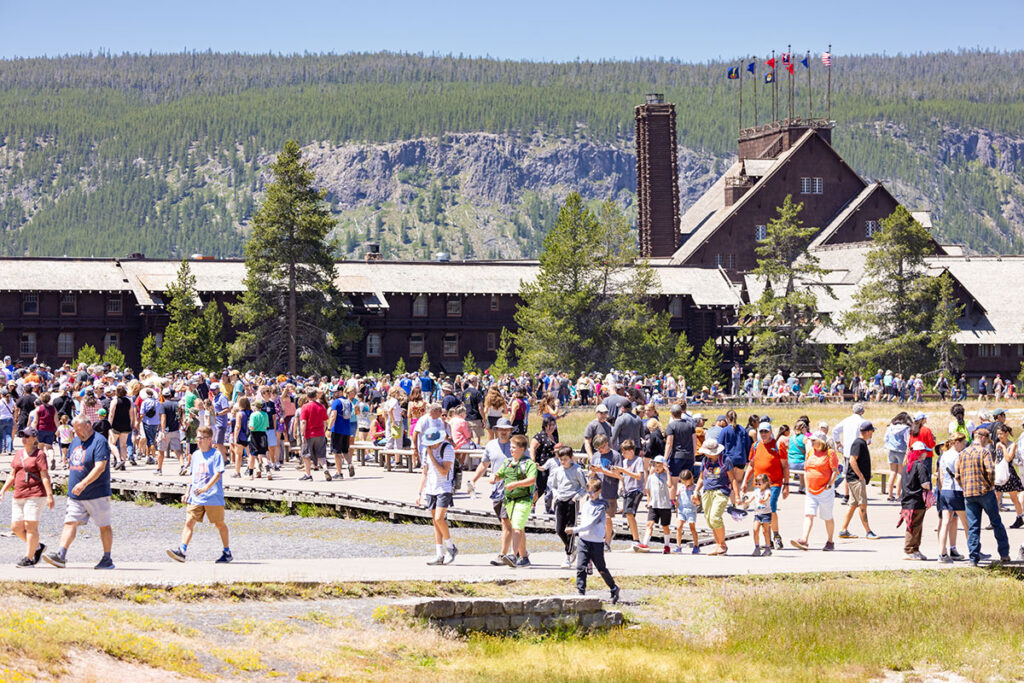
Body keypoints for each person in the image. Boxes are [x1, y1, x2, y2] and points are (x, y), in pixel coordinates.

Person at [43, 415, 114, 570]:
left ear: (88, 426)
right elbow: (73, 461)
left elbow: (100, 467)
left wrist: (84, 483)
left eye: (78, 429)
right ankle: (61, 555)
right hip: (75, 494)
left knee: (104, 525)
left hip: (97, 493)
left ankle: (107, 558)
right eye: (74, 430)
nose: (76, 433)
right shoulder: (75, 441)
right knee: (70, 522)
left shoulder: (99, 441)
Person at [166, 426, 232, 564]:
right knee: (189, 522)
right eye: (198, 437)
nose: (199, 440)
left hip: (213, 496)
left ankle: (227, 552)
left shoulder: (216, 455)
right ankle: (182, 551)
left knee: (219, 524)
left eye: (201, 438)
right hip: (196, 496)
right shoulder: (195, 455)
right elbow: (193, 475)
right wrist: (187, 492)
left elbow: (218, 474)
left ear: (209, 439)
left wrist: (206, 488)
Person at [956, 428, 1011, 566]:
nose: (987, 443)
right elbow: (991, 471)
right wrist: (990, 485)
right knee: (996, 522)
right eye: (987, 440)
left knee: (973, 527)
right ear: (983, 438)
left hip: (969, 494)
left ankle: (973, 558)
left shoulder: (962, 453)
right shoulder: (984, 452)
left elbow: (957, 475)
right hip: (985, 492)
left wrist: (964, 486)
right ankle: (1004, 553)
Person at [0, 428, 54, 567]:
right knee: (16, 527)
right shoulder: (18, 453)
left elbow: (44, 476)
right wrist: (3, 490)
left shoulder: (40, 454)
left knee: (30, 526)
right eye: (22, 436)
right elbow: (12, 475)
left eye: (27, 436)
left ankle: (28, 558)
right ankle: (37, 547)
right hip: (19, 494)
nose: (23, 438)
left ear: (34, 438)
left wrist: (49, 495)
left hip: (35, 494)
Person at [468, 417, 514, 566]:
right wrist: (473, 480)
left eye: (506, 430)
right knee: (507, 523)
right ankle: (520, 551)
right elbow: (484, 464)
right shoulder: (491, 445)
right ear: (496, 430)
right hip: (496, 490)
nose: (503, 432)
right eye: (501, 429)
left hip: (512, 490)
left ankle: (503, 555)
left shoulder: (516, 445)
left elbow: (527, 464)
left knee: (506, 522)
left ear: (510, 431)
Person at [566, 479, 620, 604]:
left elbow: (591, 523)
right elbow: (583, 520)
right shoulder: (586, 505)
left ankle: (614, 588)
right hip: (583, 540)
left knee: (601, 568)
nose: (590, 495)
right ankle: (581, 593)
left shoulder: (601, 507)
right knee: (581, 567)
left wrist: (574, 530)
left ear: (599, 491)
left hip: (596, 542)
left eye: (593, 492)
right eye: (588, 492)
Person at [492, 434, 537, 567]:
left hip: (523, 500)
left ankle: (513, 554)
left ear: (522, 449)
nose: (511, 449)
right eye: (510, 447)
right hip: (509, 500)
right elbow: (500, 475)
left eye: (513, 447)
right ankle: (524, 557)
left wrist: (515, 484)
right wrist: (494, 477)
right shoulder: (507, 462)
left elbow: (532, 480)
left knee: (516, 527)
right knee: (517, 527)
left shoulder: (529, 464)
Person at [743, 422, 789, 550]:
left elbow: (785, 466)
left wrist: (786, 485)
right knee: (761, 509)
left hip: (774, 483)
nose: (763, 434)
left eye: (766, 431)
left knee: (771, 507)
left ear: (770, 432)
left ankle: (776, 536)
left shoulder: (777, 445)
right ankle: (769, 541)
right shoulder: (755, 446)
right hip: (759, 484)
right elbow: (751, 466)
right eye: (761, 431)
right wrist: (745, 481)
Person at [791, 432, 839, 551]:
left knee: (827, 516)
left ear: (820, 441)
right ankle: (804, 540)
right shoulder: (810, 452)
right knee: (809, 514)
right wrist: (806, 484)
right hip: (811, 490)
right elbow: (806, 469)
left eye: (813, 440)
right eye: (810, 440)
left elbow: (835, 471)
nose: (811, 442)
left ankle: (830, 541)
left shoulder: (830, 453)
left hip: (825, 491)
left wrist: (829, 484)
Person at [417, 428, 458, 566]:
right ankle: (439, 554)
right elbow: (424, 473)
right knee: (435, 521)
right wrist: (419, 493)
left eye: (433, 442)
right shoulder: (425, 450)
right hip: (430, 488)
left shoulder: (447, 449)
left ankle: (451, 547)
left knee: (440, 518)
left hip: (444, 487)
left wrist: (432, 456)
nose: (431, 445)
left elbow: (444, 471)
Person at [543, 445, 587, 568]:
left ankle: (567, 556)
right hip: (560, 500)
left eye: (565, 459)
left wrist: (576, 497)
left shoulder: (577, 470)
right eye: (561, 459)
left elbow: (584, 487)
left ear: (571, 458)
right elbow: (553, 485)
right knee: (559, 529)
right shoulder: (558, 470)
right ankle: (572, 548)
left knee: (570, 528)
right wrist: (556, 495)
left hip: (572, 501)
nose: (563, 462)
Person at [838, 421, 879, 540]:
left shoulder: (862, 443)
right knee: (862, 504)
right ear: (867, 431)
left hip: (855, 479)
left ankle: (843, 530)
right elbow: (852, 460)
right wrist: (860, 475)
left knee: (853, 505)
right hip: (856, 480)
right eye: (872, 431)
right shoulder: (858, 443)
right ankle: (868, 531)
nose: (872, 433)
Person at [693, 437, 732, 556]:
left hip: (721, 491)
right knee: (709, 520)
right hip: (707, 492)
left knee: (715, 517)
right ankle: (718, 545)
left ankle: (723, 545)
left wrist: (737, 496)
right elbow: (701, 477)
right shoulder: (705, 460)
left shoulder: (725, 460)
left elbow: (732, 479)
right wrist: (696, 491)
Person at [936, 432, 968, 563]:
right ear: (957, 442)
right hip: (956, 490)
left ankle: (942, 553)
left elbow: (941, 475)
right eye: (963, 443)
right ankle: (974, 550)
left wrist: (942, 490)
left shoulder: (943, 455)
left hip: (945, 490)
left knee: (945, 522)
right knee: (967, 523)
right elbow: (960, 475)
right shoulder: (958, 456)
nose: (964, 446)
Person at [588, 433, 622, 550]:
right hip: (597, 491)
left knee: (607, 517)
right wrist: (593, 472)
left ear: (607, 444)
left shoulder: (615, 456)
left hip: (610, 490)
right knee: (597, 517)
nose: (600, 450)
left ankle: (607, 542)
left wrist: (603, 470)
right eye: (597, 448)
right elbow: (591, 474)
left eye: (602, 447)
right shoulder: (595, 456)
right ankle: (602, 537)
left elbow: (618, 475)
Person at [900, 442, 932, 560]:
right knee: (913, 526)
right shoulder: (920, 466)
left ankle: (915, 549)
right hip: (916, 501)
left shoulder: (907, 466)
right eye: (924, 452)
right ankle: (908, 549)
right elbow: (925, 484)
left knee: (916, 526)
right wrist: (929, 489)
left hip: (907, 500)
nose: (926, 454)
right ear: (920, 453)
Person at [637, 455, 673, 554]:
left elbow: (670, 485)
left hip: (665, 505)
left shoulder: (666, 476)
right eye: (655, 465)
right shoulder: (651, 477)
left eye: (659, 465)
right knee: (649, 524)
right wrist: (648, 502)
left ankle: (667, 545)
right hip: (654, 504)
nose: (657, 467)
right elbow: (648, 490)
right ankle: (645, 543)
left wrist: (668, 472)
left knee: (665, 526)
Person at [832, 402, 867, 502]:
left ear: (852, 411)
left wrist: (838, 443)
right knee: (859, 474)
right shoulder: (864, 422)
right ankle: (856, 495)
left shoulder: (846, 420)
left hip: (848, 450)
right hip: (859, 451)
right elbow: (868, 439)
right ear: (863, 412)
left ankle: (846, 496)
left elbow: (835, 430)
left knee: (848, 473)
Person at [664, 403, 698, 496]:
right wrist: (694, 455)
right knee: (687, 481)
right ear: (681, 413)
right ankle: (688, 499)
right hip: (689, 456)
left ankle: (672, 501)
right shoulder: (690, 425)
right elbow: (694, 442)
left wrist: (665, 458)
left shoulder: (671, 426)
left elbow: (669, 443)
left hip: (676, 457)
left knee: (674, 482)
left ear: (672, 413)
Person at [993, 423, 1023, 528]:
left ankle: (1019, 518)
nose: (999, 436)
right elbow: (997, 459)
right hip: (999, 473)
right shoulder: (997, 444)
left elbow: (1008, 458)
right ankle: (994, 520)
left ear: (1006, 434)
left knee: (1013, 498)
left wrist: (1003, 447)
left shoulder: (1012, 445)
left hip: (1009, 473)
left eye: (1001, 434)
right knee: (996, 497)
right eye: (998, 434)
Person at [616, 440, 644, 547]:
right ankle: (635, 538)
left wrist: (623, 470)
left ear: (631, 451)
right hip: (627, 490)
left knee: (629, 513)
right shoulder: (624, 462)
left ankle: (636, 539)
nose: (623, 454)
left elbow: (639, 476)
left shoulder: (638, 460)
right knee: (628, 515)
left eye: (625, 452)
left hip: (636, 489)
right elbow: (623, 477)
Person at [298, 387, 330, 482]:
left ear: (307, 397)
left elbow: (303, 422)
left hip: (309, 434)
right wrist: (323, 431)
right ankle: (325, 468)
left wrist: (302, 434)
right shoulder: (322, 406)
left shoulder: (305, 407)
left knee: (306, 455)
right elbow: (325, 422)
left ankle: (308, 474)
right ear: (316, 396)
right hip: (320, 433)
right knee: (321, 454)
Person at [529, 414, 557, 514]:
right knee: (539, 487)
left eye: (553, 425)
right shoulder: (539, 436)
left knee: (549, 488)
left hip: (552, 467)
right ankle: (532, 505)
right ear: (545, 425)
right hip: (540, 465)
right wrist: (533, 461)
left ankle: (548, 508)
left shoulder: (554, 436)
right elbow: (532, 448)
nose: (552, 427)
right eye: (550, 425)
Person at [328, 384, 356, 480]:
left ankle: (339, 473)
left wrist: (329, 429)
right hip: (346, 430)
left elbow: (333, 416)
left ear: (339, 392)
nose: (333, 394)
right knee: (345, 451)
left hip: (337, 429)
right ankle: (350, 464)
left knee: (336, 452)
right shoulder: (348, 402)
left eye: (335, 392)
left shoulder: (336, 402)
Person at [742, 473, 774, 556]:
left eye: (760, 484)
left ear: (766, 483)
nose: (758, 485)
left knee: (765, 531)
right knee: (755, 530)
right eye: (756, 484)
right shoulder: (756, 491)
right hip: (757, 514)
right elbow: (749, 500)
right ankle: (757, 548)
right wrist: (744, 502)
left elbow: (767, 496)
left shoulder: (767, 491)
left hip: (766, 514)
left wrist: (764, 500)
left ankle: (768, 548)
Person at [884, 412, 912, 501]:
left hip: (891, 451)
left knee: (892, 472)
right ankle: (898, 495)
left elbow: (885, 438)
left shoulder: (890, 427)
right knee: (900, 474)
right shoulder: (906, 428)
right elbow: (908, 441)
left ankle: (890, 495)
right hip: (902, 452)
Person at [673, 469, 700, 554]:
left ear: (690, 479)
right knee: (679, 527)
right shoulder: (681, 488)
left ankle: (696, 546)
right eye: (682, 481)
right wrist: (676, 511)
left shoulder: (695, 488)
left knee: (692, 527)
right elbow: (678, 500)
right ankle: (678, 546)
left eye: (685, 481)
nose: (684, 483)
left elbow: (699, 503)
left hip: (691, 510)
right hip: (681, 510)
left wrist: (695, 500)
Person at [157, 387, 182, 477]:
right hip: (175, 429)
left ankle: (159, 469)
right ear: (171, 395)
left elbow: (163, 418)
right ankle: (182, 466)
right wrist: (180, 424)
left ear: (163, 396)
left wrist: (163, 431)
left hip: (166, 430)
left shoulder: (163, 405)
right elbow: (180, 415)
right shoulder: (177, 404)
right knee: (177, 449)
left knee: (161, 450)